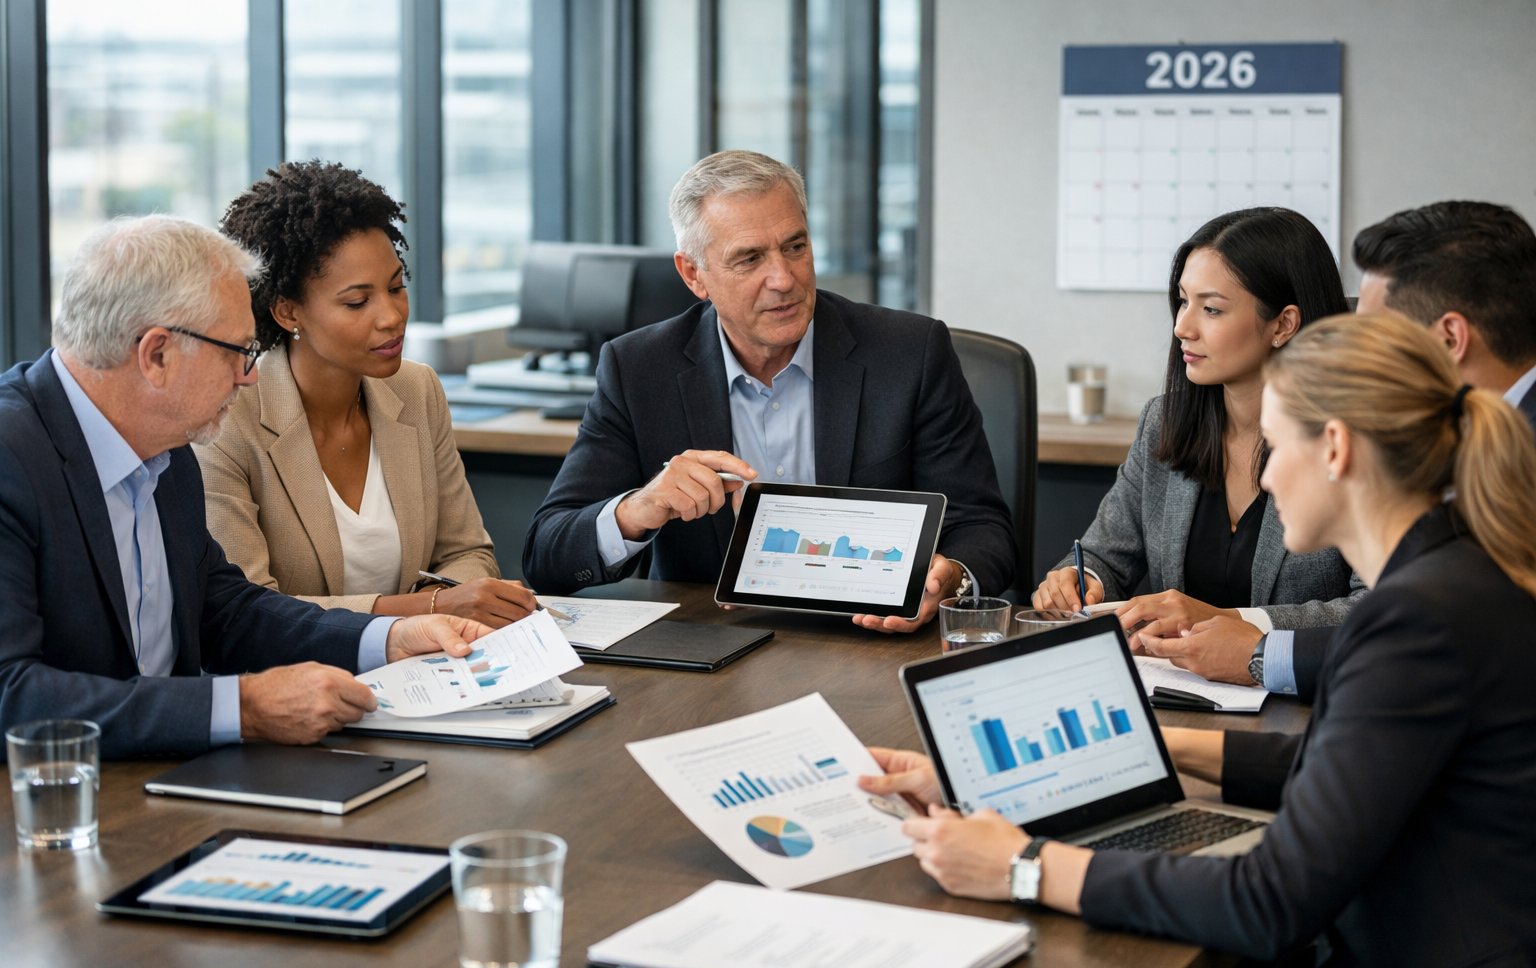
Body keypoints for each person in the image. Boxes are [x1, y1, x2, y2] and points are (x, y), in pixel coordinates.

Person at [862, 312, 1536, 968]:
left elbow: (1268, 900)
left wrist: (1022, 867)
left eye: (1273, 448)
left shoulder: (1413, 621)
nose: (1267, 477)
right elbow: (1348, 764)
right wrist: (1089, 760)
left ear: (1335, 448)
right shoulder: (1457, 573)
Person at [0, 215, 489, 760]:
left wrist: (387, 638)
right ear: (156, 354)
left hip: (168, 782)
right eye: (238, 351)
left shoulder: (167, 449)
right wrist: (244, 706)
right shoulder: (11, 456)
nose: (250, 375)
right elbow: (9, 694)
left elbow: (225, 609)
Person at [521, 150, 1013, 632]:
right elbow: (546, 554)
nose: (783, 279)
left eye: (795, 247)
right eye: (749, 258)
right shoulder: (639, 369)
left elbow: (982, 528)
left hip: (873, 641)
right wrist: (637, 510)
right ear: (694, 275)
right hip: (711, 648)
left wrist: (952, 581)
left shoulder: (909, 352)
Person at [1148, 200, 1536, 694]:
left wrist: (1256, 650)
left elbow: (1413, 632)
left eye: (1372, 333)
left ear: (1449, 338)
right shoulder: (1480, 432)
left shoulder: (1467, 450)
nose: (1354, 350)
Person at [199, 161, 536, 627]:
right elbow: (248, 609)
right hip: (296, 682)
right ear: (286, 311)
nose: (392, 316)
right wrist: (429, 609)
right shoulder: (227, 420)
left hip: (424, 672)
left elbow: (466, 552)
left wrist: (446, 610)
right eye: (358, 301)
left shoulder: (416, 390)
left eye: (397, 287)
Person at [1032, 208, 1362, 646]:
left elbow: (1375, 608)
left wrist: (1234, 623)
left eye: (1210, 309)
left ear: (1283, 323)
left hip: (1300, 702)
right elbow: (1104, 555)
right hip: (1179, 694)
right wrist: (1080, 578)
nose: (1181, 327)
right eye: (1183, 301)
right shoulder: (1163, 422)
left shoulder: (1351, 439)